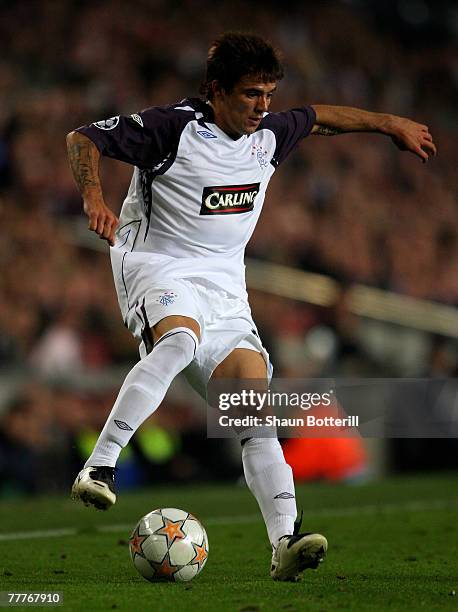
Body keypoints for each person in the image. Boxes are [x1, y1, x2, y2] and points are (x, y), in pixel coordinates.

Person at [66, 32, 436, 582]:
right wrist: (94, 197)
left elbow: (318, 118)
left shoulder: (267, 135)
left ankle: (284, 542)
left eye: (268, 93)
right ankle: (100, 465)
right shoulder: (172, 127)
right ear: (215, 90)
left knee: (254, 418)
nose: (263, 107)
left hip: (225, 289)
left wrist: (390, 124)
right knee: (180, 339)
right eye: (250, 94)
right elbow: (83, 138)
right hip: (157, 263)